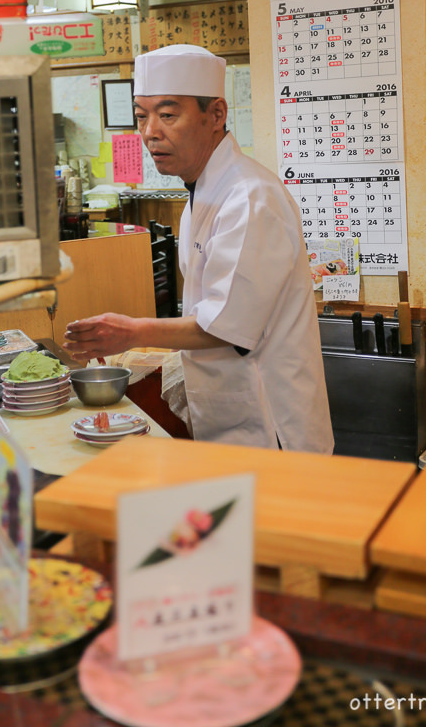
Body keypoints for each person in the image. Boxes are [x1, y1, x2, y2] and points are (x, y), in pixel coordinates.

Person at [64, 44, 333, 453]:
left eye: (168, 115)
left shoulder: (249, 197)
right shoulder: (204, 193)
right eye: (141, 116)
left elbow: (225, 325)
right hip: (230, 417)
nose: (151, 131)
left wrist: (131, 332)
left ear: (216, 115)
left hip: (271, 427)